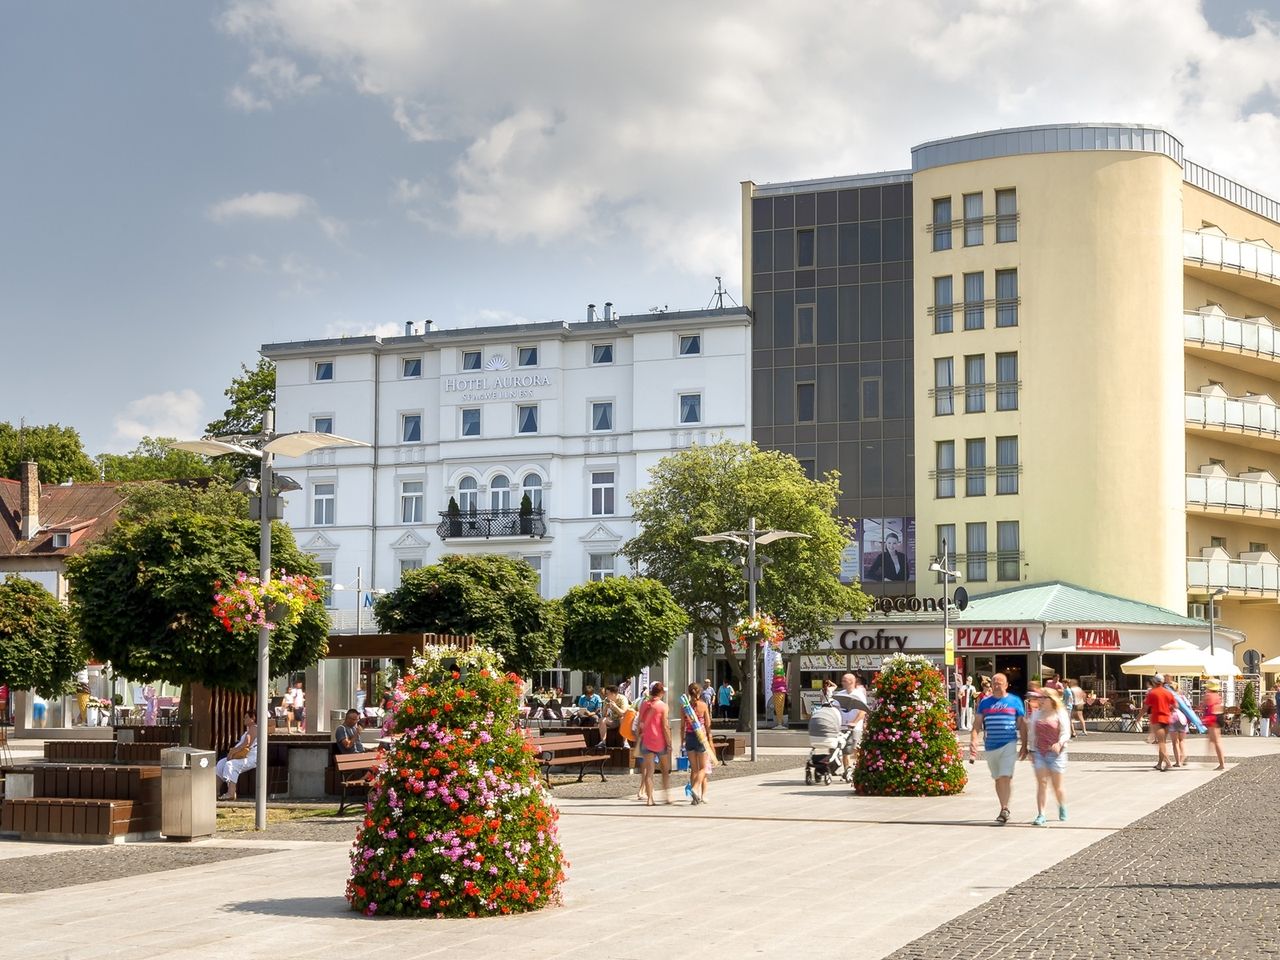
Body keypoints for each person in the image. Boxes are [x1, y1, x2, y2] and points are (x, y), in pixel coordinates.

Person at [969, 672, 1026, 825]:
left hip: (1008, 743)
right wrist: (974, 739)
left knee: (1005, 775)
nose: (996, 685)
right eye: (994, 682)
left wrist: (1025, 745)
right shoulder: (985, 703)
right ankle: (1003, 806)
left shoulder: (1014, 701)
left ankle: (1005, 809)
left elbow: (1022, 724)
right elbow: (977, 725)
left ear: (1006, 685)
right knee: (998, 778)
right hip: (991, 745)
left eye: (999, 682)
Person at [1026, 687, 1070, 826]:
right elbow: (1032, 733)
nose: (1040, 700)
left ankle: (1062, 805)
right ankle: (1041, 814)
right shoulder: (1036, 714)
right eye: (1040, 697)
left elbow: (1066, 732)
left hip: (1056, 753)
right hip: (1039, 752)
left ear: (1052, 700)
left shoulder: (1060, 713)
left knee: (1057, 786)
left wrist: (1060, 742)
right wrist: (1031, 750)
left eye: (1043, 697)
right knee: (1042, 783)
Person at [636, 681, 672, 806]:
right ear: (661, 692)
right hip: (660, 741)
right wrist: (669, 742)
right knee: (665, 770)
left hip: (646, 740)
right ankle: (667, 796)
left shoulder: (644, 704)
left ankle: (650, 798)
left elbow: (640, 722)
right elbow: (665, 726)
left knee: (649, 771)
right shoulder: (663, 706)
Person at [216, 710, 258, 801]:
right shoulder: (249, 730)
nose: (244, 719)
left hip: (250, 758)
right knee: (221, 763)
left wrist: (232, 752)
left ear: (253, 718)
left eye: (246, 717)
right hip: (243, 756)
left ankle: (231, 793)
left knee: (231, 764)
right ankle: (216, 791)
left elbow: (246, 745)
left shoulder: (254, 728)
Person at [683, 682, 713, 805]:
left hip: (689, 737)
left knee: (694, 769)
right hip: (701, 737)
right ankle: (697, 789)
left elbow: (682, 726)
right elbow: (708, 724)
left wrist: (682, 740)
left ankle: (694, 797)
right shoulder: (703, 705)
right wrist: (710, 740)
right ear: (699, 692)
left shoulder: (685, 707)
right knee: (703, 768)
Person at [1142, 674, 1176, 772]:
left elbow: (1145, 707)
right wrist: (1169, 710)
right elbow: (1175, 705)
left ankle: (1168, 763)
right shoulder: (1168, 693)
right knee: (1163, 742)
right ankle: (1160, 763)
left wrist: (1139, 717)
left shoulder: (1152, 693)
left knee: (1160, 743)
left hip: (1157, 719)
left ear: (1154, 682)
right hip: (1167, 719)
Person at [834, 672, 868, 771]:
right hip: (842, 727)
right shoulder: (840, 695)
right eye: (842, 680)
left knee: (855, 748)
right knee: (846, 750)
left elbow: (863, 711)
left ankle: (859, 767)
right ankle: (847, 770)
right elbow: (835, 709)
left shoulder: (858, 695)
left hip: (855, 727)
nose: (842, 683)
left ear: (851, 682)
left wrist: (854, 722)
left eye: (845, 681)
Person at [1201, 680, 1226, 770]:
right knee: (1212, 740)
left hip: (1213, 718)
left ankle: (1221, 763)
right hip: (1219, 717)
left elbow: (1206, 707)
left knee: (1216, 742)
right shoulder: (1218, 696)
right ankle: (1209, 758)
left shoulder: (1209, 696)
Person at [1166, 681, 1188, 767]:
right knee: (1182, 740)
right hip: (1182, 718)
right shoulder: (1182, 697)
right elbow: (1188, 707)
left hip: (1173, 718)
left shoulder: (1169, 697)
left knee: (1175, 742)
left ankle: (1178, 762)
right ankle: (1183, 757)